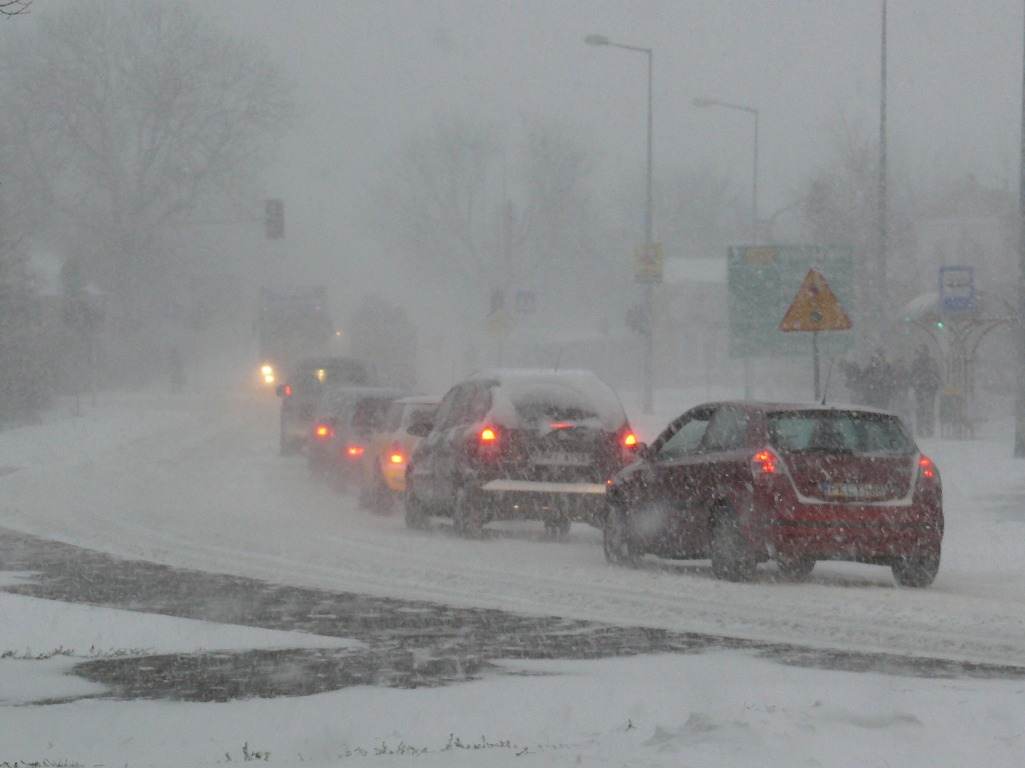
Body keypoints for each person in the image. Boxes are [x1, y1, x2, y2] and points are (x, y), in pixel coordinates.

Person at [909, 345, 942, 437]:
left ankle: (928, 430)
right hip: (920, 389)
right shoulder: (917, 363)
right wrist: (916, 383)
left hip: (929, 389)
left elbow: (937, 375)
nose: (923, 353)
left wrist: (933, 383)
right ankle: (921, 430)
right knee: (921, 410)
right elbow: (911, 376)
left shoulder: (931, 362)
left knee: (928, 410)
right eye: (922, 351)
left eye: (924, 351)